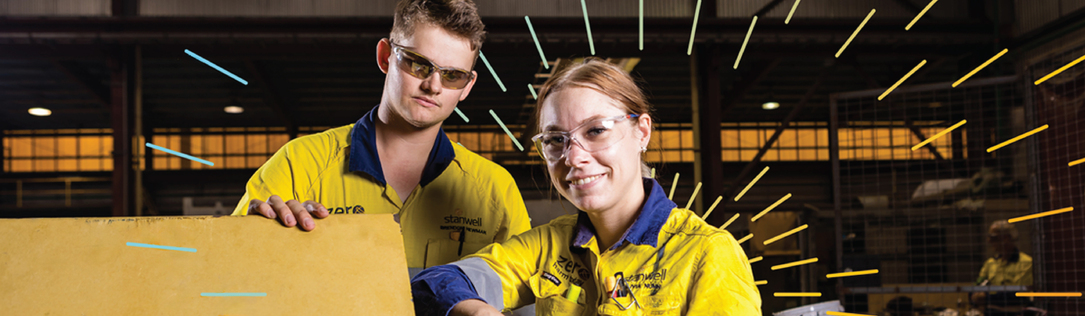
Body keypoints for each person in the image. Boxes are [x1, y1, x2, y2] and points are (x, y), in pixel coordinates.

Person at [410, 58, 760, 316]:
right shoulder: (547, 247)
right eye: (555, 140)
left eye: (596, 131)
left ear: (642, 132)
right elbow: (434, 285)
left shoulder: (707, 254)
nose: (573, 157)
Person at [230, 0, 530, 276]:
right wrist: (257, 233)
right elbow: (229, 267)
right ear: (386, 56)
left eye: (453, 75)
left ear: (467, 86)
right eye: (418, 64)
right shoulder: (301, 163)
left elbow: (523, 293)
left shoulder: (494, 190)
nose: (433, 85)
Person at [970, 221, 1035, 316]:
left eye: (993, 237)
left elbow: (1020, 295)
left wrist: (987, 298)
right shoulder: (990, 263)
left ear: (1006, 238)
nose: (989, 241)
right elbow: (977, 287)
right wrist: (973, 295)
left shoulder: (1026, 262)